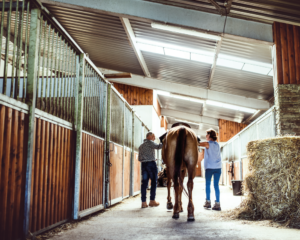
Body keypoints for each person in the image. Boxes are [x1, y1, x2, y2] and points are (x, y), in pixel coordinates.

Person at [199, 128, 222, 211]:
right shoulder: (217, 144)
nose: (206, 136)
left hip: (209, 167)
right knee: (216, 186)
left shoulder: (207, 144)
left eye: (207, 134)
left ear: (209, 135)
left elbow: (197, 143)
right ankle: (217, 204)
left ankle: (208, 202)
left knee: (208, 185)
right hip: (218, 167)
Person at [138, 132, 163, 208]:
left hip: (143, 165)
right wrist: (165, 141)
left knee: (144, 183)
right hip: (151, 165)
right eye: (154, 137)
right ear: (149, 136)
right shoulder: (150, 143)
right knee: (154, 182)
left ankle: (143, 202)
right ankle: (152, 201)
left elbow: (139, 158)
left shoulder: (141, 146)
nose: (154, 138)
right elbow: (159, 146)